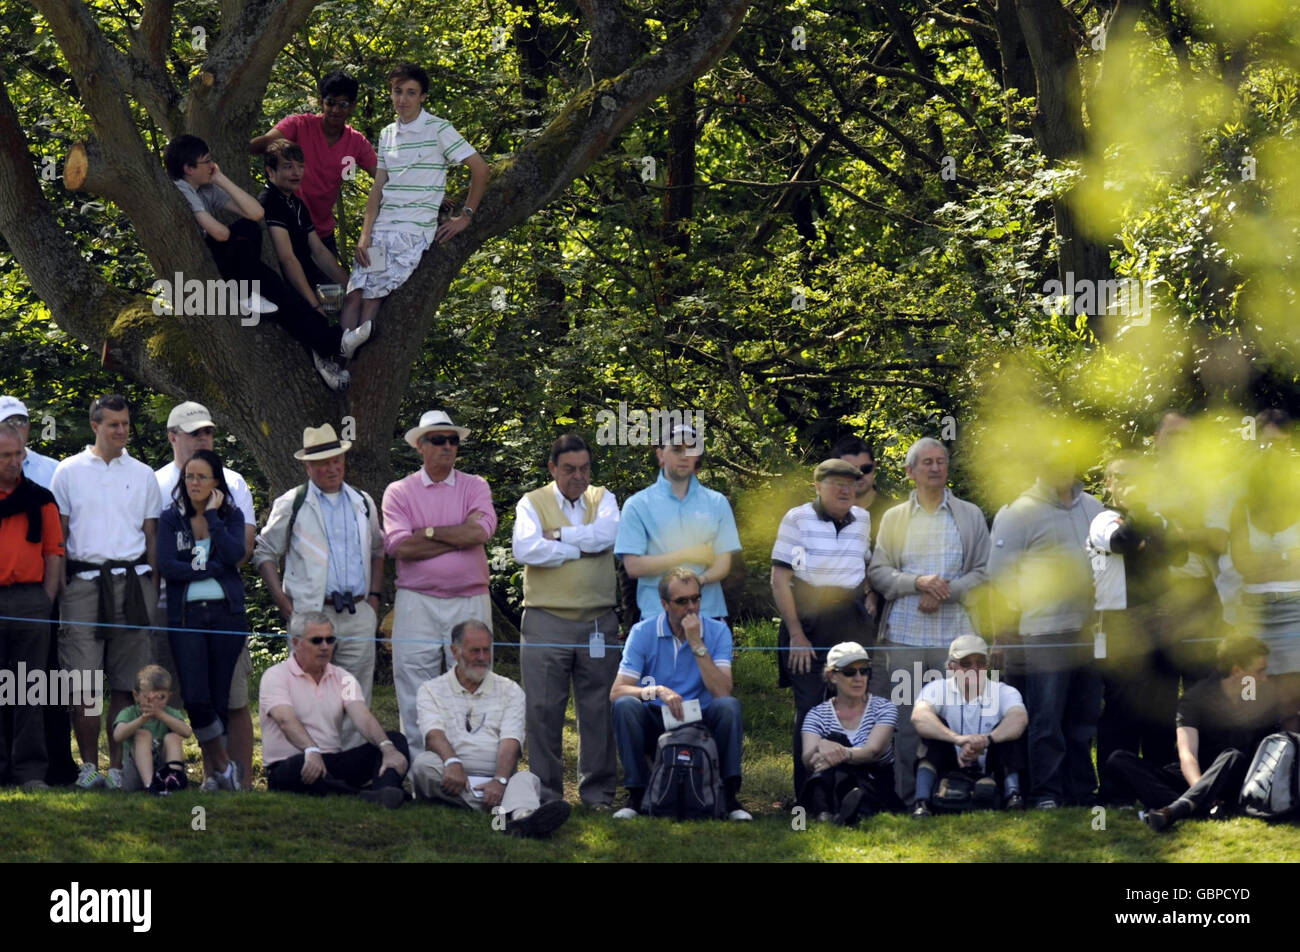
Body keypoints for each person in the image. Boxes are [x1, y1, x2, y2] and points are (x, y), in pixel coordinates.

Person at [163, 134, 352, 391]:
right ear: (188, 169)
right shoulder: (181, 189)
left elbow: (256, 213)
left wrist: (220, 178)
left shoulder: (206, 187)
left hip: (237, 270)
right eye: (207, 162)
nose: (212, 165)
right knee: (244, 239)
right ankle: (332, 341)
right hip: (207, 271)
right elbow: (220, 234)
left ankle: (330, 342)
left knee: (277, 290)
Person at [866, 436, 991, 804]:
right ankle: (909, 797)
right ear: (910, 472)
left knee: (961, 718)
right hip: (905, 639)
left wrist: (944, 591)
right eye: (927, 463)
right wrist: (918, 583)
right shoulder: (894, 518)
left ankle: (957, 795)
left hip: (958, 642)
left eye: (941, 461)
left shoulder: (969, 515)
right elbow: (879, 572)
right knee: (907, 722)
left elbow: (985, 573)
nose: (936, 468)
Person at [50, 394, 162, 790]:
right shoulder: (68, 471)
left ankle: (117, 767)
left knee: (125, 680)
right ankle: (87, 765)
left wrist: (154, 586)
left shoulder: (144, 474)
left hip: (133, 583)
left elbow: (151, 537)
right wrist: (59, 587)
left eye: (126, 424)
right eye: (113, 424)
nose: (121, 431)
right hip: (82, 584)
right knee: (82, 681)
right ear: (95, 426)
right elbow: (59, 537)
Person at [340, 63, 490, 346]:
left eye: (411, 93)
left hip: (411, 231)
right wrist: (365, 233)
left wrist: (465, 216)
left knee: (373, 298)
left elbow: (480, 169)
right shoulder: (387, 134)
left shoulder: (438, 129)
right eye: (397, 92)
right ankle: (341, 363)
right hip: (381, 227)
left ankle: (346, 361)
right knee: (354, 295)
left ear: (423, 97)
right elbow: (378, 187)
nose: (403, 99)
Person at [254, 424, 384, 750]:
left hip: (357, 611)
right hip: (311, 611)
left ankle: (354, 766)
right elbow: (265, 552)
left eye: (336, 460)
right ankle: (310, 763)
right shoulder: (293, 502)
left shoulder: (363, 502)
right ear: (307, 466)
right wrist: (284, 603)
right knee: (307, 690)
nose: (331, 468)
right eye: (322, 462)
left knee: (355, 691)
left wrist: (374, 599)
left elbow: (379, 551)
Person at [511, 434, 621, 808]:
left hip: (598, 621)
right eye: (570, 469)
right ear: (552, 468)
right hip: (545, 618)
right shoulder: (532, 502)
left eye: (585, 468)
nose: (579, 477)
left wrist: (558, 537)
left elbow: (610, 534)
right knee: (542, 711)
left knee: (598, 709)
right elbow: (525, 548)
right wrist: (583, 546)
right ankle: (546, 795)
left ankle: (598, 793)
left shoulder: (603, 498)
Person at [988, 457, 1103, 808]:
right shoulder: (1016, 512)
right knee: (1046, 718)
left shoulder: (1094, 507)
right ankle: (1046, 793)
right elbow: (998, 577)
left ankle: (1081, 791)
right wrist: (1003, 631)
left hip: (1090, 629)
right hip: (1041, 632)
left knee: (1084, 718)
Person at [154, 401, 256, 790]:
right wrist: (206, 567)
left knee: (229, 700)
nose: (203, 438)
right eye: (195, 432)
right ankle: (193, 771)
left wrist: (213, 522)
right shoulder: (159, 489)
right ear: (173, 437)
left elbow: (238, 554)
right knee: (185, 697)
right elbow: (168, 563)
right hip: (176, 613)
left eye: (208, 432)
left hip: (226, 612)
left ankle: (234, 781)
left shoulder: (234, 490)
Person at [383, 410, 497, 755]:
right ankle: (422, 769)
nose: (448, 446)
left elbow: (481, 531)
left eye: (453, 440)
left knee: (470, 681)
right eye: (438, 439)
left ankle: (468, 765)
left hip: (470, 600)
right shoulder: (399, 491)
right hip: (416, 600)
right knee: (415, 685)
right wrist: (458, 535)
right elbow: (400, 546)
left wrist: (428, 532)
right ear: (421, 445)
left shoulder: (475, 485)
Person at [608, 568, 751, 820]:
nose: (691, 607)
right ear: (664, 604)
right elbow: (617, 691)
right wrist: (657, 691)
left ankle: (729, 798)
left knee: (729, 707)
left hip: (701, 716)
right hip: (658, 714)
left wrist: (697, 644)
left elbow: (722, 690)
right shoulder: (642, 632)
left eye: (696, 599)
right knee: (625, 706)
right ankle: (636, 794)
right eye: (682, 601)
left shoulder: (717, 631)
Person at [1100, 636, 1281, 831]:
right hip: (1194, 777)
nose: (1264, 678)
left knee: (1232, 755)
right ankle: (1202, 807)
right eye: (1259, 671)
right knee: (1118, 761)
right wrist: (1200, 790)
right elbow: (1187, 755)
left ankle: (1177, 808)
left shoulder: (1260, 698)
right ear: (1238, 671)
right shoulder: (1196, 699)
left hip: (1234, 777)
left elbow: (1270, 750)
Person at [411, 620, 572, 836]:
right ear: (454, 651)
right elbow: (433, 735)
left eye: (486, 650)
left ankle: (522, 816)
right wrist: (452, 762)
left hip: (496, 776)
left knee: (526, 779)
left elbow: (511, 741)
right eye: (474, 651)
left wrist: (499, 780)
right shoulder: (431, 690)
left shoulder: (510, 690)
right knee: (423, 765)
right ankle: (508, 813)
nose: (481, 657)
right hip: (452, 775)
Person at [771, 458, 873, 796]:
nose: (846, 489)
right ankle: (809, 796)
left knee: (852, 708)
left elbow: (865, 567)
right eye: (836, 482)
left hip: (851, 626)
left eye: (851, 483)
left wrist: (869, 600)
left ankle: (847, 791)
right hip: (808, 627)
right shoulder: (797, 518)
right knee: (812, 712)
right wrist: (796, 635)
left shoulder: (862, 519)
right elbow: (780, 581)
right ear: (817, 485)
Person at [1089, 454, 1186, 785]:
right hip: (1120, 625)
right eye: (1122, 477)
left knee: (1161, 705)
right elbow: (1123, 542)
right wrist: (1141, 525)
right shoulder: (1102, 519)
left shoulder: (1156, 516)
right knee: (1121, 708)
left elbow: (1177, 552)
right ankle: (1116, 789)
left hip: (1161, 622)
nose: (1130, 483)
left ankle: (1159, 784)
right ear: (1109, 482)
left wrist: (1144, 524)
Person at [1, 396, 76, 786]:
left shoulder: (40, 497)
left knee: (28, 688)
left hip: (31, 601)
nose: (14, 462)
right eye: (5, 456)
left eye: (17, 454)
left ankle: (31, 771)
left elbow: (54, 552)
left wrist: (46, 599)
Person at [259, 612, 409, 806]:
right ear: (296, 642)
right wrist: (310, 750)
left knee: (395, 741)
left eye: (330, 640)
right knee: (299, 766)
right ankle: (364, 796)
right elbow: (285, 720)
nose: (325, 647)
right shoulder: (276, 676)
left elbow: (363, 717)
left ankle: (383, 791)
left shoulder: (342, 677)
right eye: (317, 640)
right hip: (291, 764)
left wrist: (386, 747)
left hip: (331, 761)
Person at [615, 426, 742, 623]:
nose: (684, 456)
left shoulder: (717, 503)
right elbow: (633, 567)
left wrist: (697, 582)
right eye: (676, 449)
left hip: (708, 615)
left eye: (691, 449)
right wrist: (687, 555)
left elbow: (724, 564)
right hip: (656, 616)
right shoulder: (637, 505)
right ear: (661, 455)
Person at [249, 70, 378, 256]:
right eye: (330, 103)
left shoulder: (356, 142)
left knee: (332, 284)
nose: (335, 110)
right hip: (283, 229)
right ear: (321, 101)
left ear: (352, 106)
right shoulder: (299, 125)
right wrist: (240, 142)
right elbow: (264, 144)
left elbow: (383, 178)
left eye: (343, 104)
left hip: (321, 234)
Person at [911, 635, 1028, 816]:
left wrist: (987, 740)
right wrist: (959, 739)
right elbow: (919, 717)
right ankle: (922, 802)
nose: (974, 669)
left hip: (991, 764)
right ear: (952, 667)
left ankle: (1014, 796)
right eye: (966, 663)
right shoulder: (937, 688)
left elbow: (1019, 719)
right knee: (931, 734)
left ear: (987, 666)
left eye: (980, 662)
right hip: (950, 763)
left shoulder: (1003, 690)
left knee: (1008, 732)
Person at [1229, 435, 1300, 721]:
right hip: (1253, 613)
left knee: (1291, 699)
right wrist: (1287, 559)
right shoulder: (1241, 510)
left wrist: (1265, 563)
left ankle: (1291, 760)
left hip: (1295, 613)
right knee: (1250, 696)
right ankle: (1251, 760)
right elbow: (1243, 565)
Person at [797, 642, 899, 824]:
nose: (859, 678)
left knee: (834, 743)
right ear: (832, 676)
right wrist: (820, 746)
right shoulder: (816, 714)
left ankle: (833, 812)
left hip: (872, 778)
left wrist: (833, 750)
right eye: (850, 672)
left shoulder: (884, 708)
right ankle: (828, 812)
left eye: (864, 671)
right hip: (831, 777)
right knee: (830, 745)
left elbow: (872, 751)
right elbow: (808, 760)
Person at [259, 139, 352, 327]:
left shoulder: (296, 203)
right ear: (270, 171)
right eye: (288, 167)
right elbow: (287, 259)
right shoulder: (270, 202)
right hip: (288, 288)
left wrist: (351, 287)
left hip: (310, 279)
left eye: (300, 167)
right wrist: (315, 306)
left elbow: (318, 250)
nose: (296, 173)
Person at [110, 665, 191, 794]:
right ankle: (150, 786)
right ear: (136, 695)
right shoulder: (129, 713)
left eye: (161, 698)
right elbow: (118, 736)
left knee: (173, 737)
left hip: (162, 765)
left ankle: (173, 778)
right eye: (148, 697)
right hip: (136, 771)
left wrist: (161, 715)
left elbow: (186, 732)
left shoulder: (169, 713)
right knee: (142, 734)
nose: (154, 703)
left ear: (169, 696)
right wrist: (142, 719)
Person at [833, 435, 895, 548]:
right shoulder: (820, 517)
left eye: (865, 469)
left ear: (874, 466)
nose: (859, 475)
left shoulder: (897, 514)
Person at [0, 395, 58, 488]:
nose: (16, 427)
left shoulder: (54, 470)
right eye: (8, 421)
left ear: (29, 426)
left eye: (21, 421)